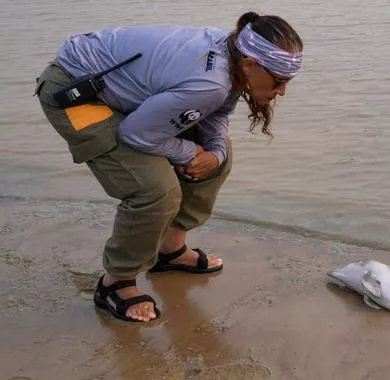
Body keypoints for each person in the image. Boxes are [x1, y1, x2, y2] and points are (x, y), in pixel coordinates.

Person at [33, 12, 304, 323]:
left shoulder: (232, 52)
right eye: (279, 81)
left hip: (122, 95)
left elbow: (215, 116)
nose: (282, 91)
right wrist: (188, 151)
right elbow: (135, 134)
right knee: (154, 188)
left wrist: (212, 155)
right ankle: (115, 283)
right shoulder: (210, 82)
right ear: (250, 65)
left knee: (220, 153)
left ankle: (170, 252)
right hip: (75, 90)